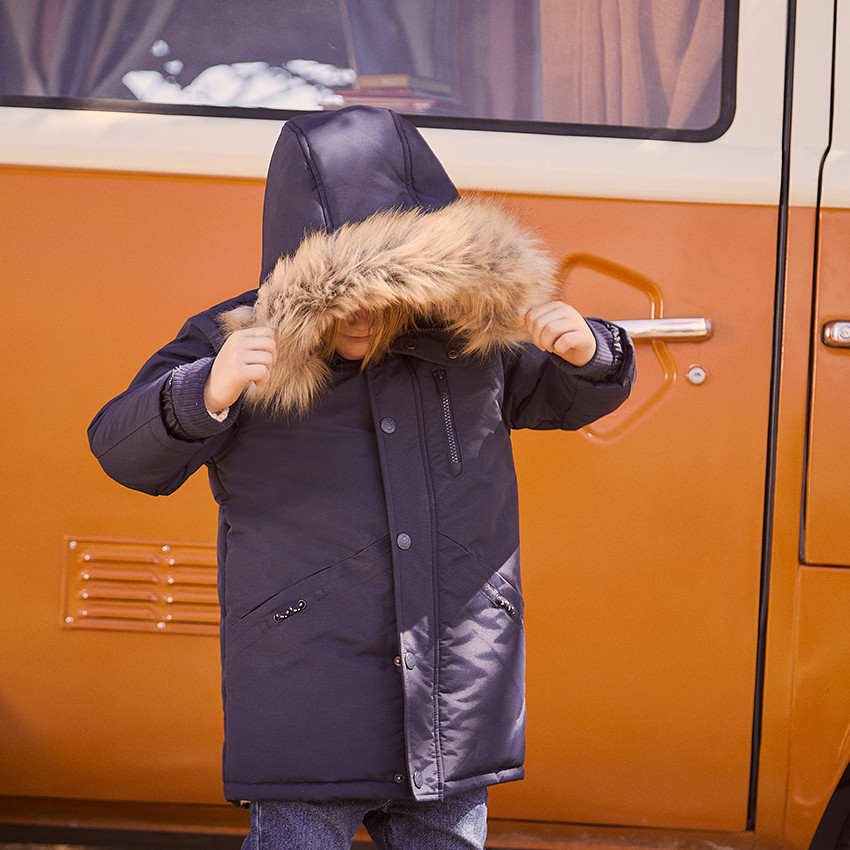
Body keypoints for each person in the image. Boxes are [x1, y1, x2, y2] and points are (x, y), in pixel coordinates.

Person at [88, 105, 635, 850]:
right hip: (306, 691)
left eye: (387, 296)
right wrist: (203, 392)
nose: (362, 318)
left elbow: (561, 396)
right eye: (338, 298)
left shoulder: (473, 341)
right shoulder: (240, 339)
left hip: (453, 693)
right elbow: (120, 447)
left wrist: (593, 354)